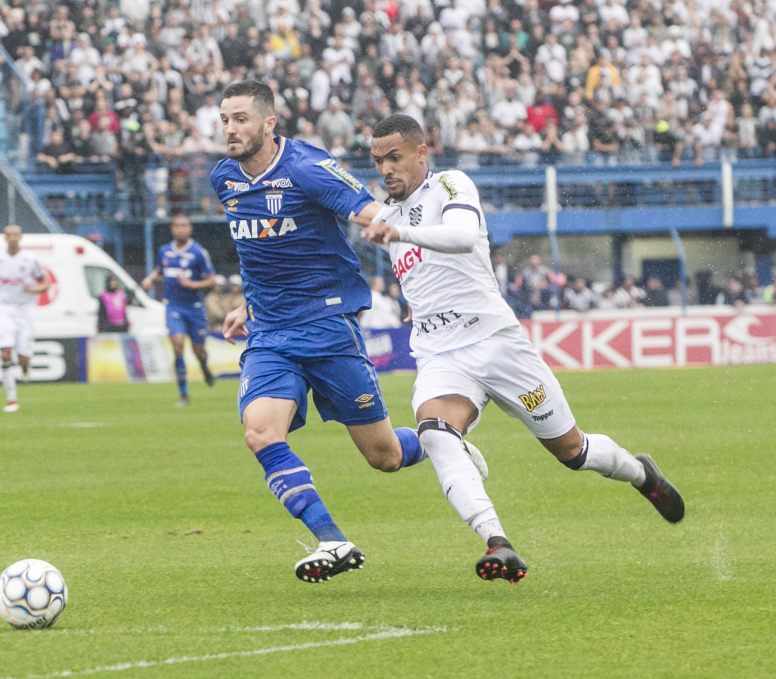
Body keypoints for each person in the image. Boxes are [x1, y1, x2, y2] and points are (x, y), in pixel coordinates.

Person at [360, 114, 683, 585]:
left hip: (497, 346)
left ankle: (641, 474)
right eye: (377, 161)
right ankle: (498, 543)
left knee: (573, 452)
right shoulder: (387, 219)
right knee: (434, 433)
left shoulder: (451, 185)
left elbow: (463, 238)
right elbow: (422, 275)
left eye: (394, 157)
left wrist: (402, 233)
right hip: (441, 355)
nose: (386, 169)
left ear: (421, 152)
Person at [214, 80, 430, 583]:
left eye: (241, 119)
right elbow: (258, 251)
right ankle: (331, 539)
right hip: (269, 334)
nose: (230, 129)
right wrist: (248, 305)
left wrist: (410, 272)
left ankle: (443, 440)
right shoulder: (224, 178)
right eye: (225, 119)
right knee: (260, 432)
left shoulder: (307, 167)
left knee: (385, 456)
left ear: (269, 123)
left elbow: (373, 212)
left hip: (327, 328)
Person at [141, 214, 216, 406]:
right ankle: (184, 394)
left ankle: (204, 366)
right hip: (174, 306)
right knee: (178, 346)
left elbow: (211, 281)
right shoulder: (164, 251)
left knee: (198, 350)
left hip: (195, 308)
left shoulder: (199, 252)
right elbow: (160, 271)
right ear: (172, 229)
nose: (181, 229)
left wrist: (192, 284)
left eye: (185, 225)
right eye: (178, 225)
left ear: (190, 229)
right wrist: (150, 279)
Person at [0, 225, 48, 413]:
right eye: (10, 235)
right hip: (4, 310)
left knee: (23, 356)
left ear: (20, 237)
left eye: (16, 235)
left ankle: (25, 368)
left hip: (25, 310)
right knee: (5, 352)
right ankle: (12, 400)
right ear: (5, 238)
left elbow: (45, 283)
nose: (13, 238)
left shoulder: (31, 260)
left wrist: (33, 290)